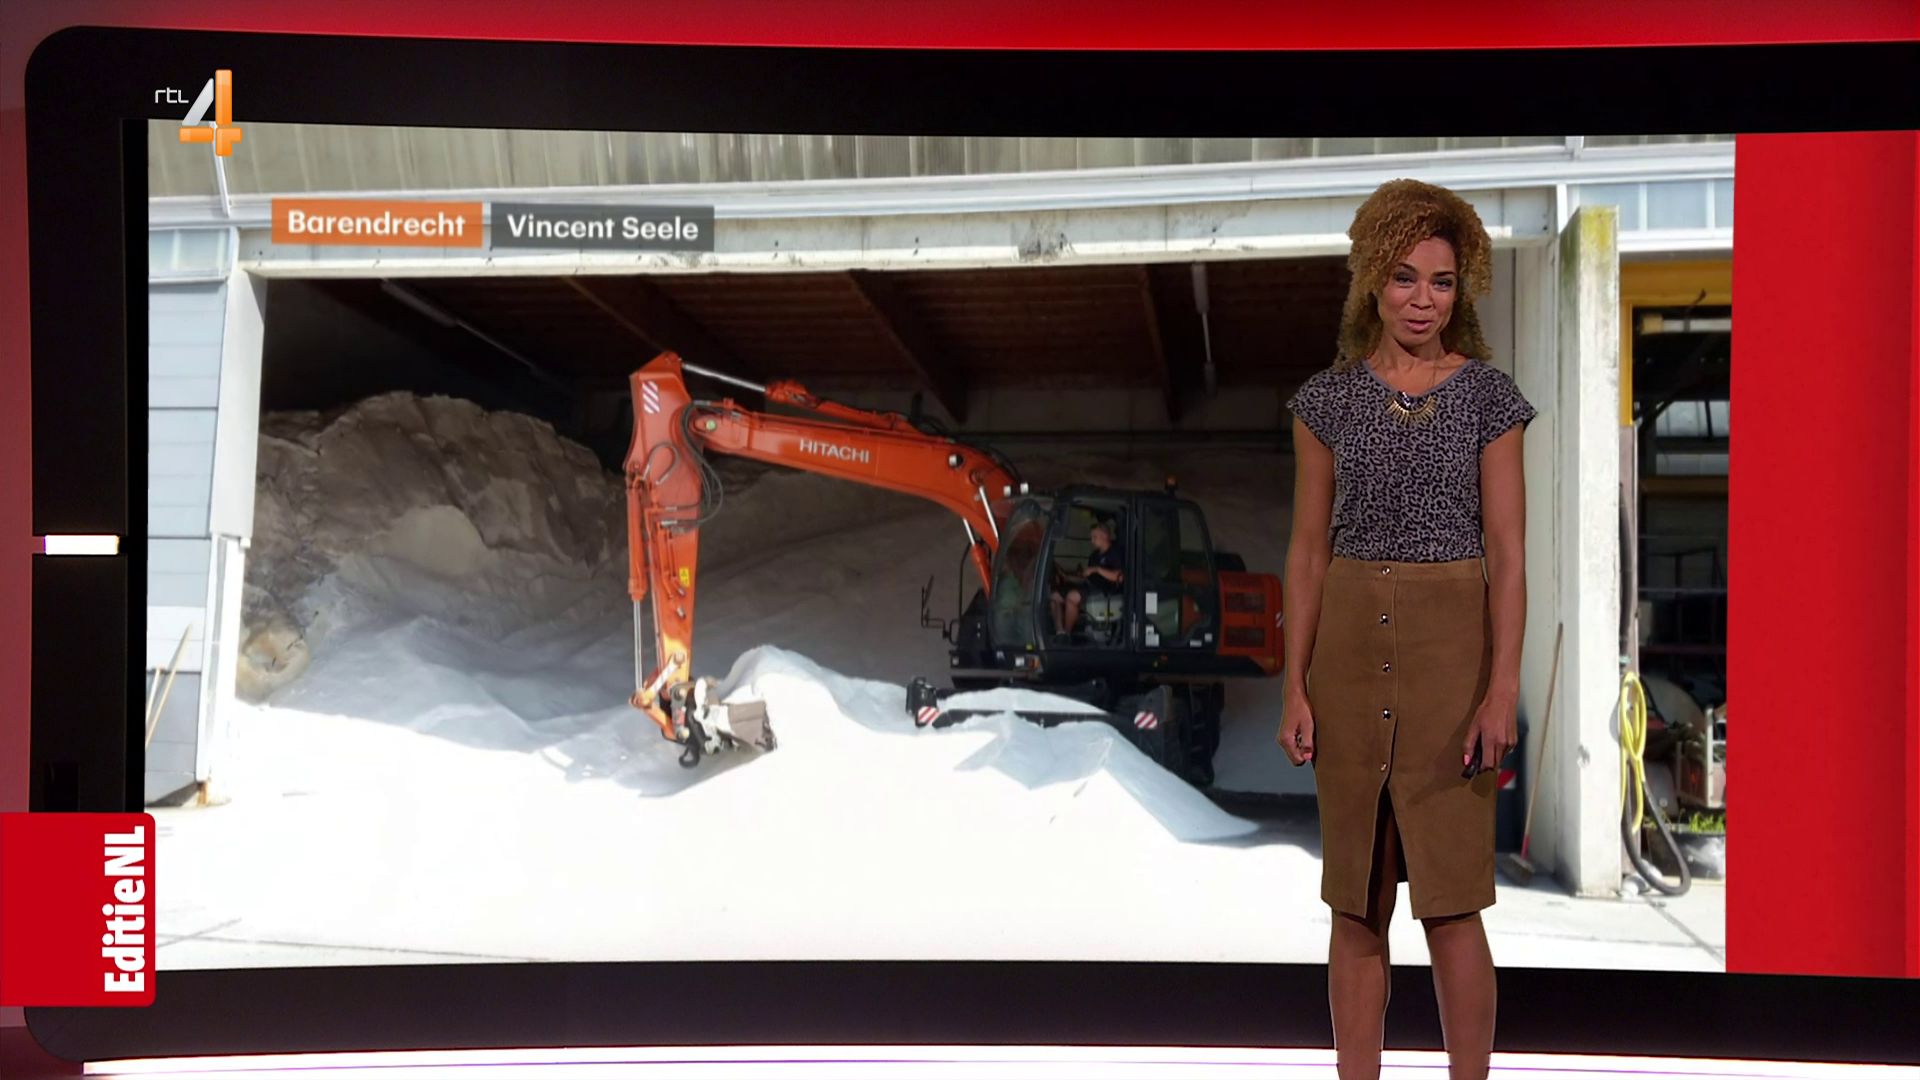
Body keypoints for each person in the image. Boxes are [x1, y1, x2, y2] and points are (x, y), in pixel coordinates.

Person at [1277, 178, 1535, 1080]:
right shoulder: (1327, 403)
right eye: (1405, 277)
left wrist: (1502, 690)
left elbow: (1508, 555)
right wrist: (1295, 684)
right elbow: (1308, 552)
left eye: (1442, 281)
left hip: (1451, 663)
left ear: (1463, 290)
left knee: (1453, 906)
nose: (1424, 299)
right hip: (1347, 657)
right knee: (1356, 906)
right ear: (1371, 283)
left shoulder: (1489, 400)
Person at [1051, 519, 1124, 638]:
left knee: (1072, 597)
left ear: (1105, 535)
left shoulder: (1115, 552)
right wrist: (1068, 577)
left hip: (1105, 590)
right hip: (1089, 587)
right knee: (1055, 596)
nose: (1092, 540)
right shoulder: (1094, 556)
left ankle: (1067, 635)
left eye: (1095, 537)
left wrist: (1097, 569)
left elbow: (1119, 577)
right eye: (1091, 537)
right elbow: (1087, 577)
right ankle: (1060, 632)